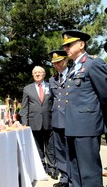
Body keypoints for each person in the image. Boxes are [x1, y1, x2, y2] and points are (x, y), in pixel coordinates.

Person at [62, 30, 107, 186]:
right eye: (65, 45)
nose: (66, 48)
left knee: (89, 173)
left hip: (87, 128)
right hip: (72, 127)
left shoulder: (93, 64)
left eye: (69, 44)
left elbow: (105, 95)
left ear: (81, 44)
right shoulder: (73, 68)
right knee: (74, 172)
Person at [21, 66, 58, 179]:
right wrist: (24, 123)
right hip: (34, 123)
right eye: (35, 73)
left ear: (44, 74)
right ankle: (41, 167)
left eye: (39, 72)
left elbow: (56, 103)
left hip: (49, 122)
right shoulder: (27, 89)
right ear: (32, 75)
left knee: (51, 147)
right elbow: (24, 107)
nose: (37, 74)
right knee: (38, 147)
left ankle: (52, 168)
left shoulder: (51, 86)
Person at [48, 50, 70, 187]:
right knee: (60, 151)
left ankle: (73, 179)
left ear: (66, 60)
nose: (57, 65)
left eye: (59, 62)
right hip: (56, 120)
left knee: (71, 151)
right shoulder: (52, 79)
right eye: (54, 63)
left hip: (70, 120)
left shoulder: (73, 75)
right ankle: (64, 179)